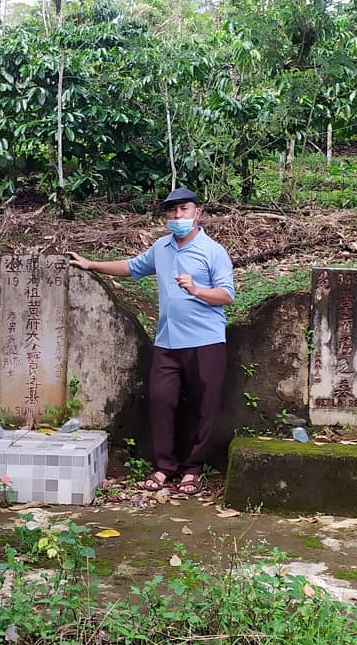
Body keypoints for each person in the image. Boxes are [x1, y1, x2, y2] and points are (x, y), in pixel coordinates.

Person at [68, 187, 234, 495]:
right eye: (172, 211)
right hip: (167, 341)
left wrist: (196, 289)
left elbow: (226, 295)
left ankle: (193, 469)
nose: (177, 216)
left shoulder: (213, 251)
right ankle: (163, 467)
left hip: (205, 341)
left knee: (204, 406)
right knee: (161, 401)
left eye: (183, 209)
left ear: (197, 213)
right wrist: (92, 264)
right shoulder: (161, 248)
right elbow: (132, 267)